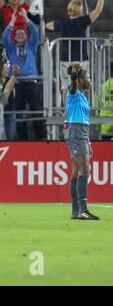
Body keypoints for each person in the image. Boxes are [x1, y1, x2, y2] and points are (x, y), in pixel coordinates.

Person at [45, 0, 107, 99]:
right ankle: (82, 111)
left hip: (66, 60)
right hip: (81, 59)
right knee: (83, 85)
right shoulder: (82, 21)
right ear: (79, 10)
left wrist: (58, 25)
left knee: (65, 87)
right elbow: (98, 10)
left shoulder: (63, 23)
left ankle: (67, 113)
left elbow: (48, 25)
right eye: (82, 9)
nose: (83, 10)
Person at [64, 62, 99, 220]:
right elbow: (72, 85)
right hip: (76, 131)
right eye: (88, 78)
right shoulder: (74, 92)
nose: (90, 81)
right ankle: (83, 210)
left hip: (81, 132)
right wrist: (74, 75)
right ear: (80, 80)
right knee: (84, 170)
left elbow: (84, 119)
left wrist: (89, 142)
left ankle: (76, 211)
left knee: (76, 172)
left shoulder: (83, 96)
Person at [3, 8, 44, 140]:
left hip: (32, 83)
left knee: (36, 110)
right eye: (18, 34)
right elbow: (5, 36)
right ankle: (22, 140)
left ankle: (40, 139)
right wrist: (13, 21)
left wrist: (26, 19)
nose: (20, 35)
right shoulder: (10, 48)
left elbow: (36, 33)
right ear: (14, 37)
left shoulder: (31, 46)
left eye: (23, 33)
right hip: (17, 84)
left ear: (27, 36)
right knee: (19, 114)